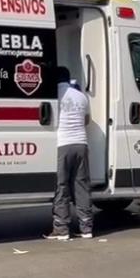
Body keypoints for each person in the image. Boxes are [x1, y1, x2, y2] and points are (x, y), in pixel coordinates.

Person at [45, 66, 93, 240]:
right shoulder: (81, 96)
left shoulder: (54, 96)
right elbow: (87, 120)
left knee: (62, 186)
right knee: (82, 186)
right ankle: (86, 228)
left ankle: (61, 228)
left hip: (62, 145)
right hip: (81, 143)